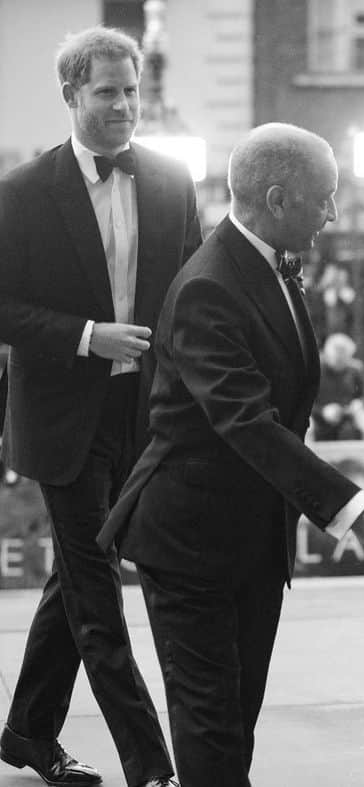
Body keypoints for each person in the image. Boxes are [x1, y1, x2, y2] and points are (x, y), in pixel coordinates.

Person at [96, 123, 364, 786]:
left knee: (234, 727)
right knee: (213, 736)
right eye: (323, 199)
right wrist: (357, 510)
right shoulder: (208, 287)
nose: (332, 214)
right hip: (189, 542)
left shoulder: (269, 268)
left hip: (251, 537)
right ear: (276, 200)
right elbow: (248, 421)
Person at [0, 27, 202, 787]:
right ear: (71, 97)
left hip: (144, 416)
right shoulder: (20, 193)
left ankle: (26, 731)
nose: (123, 105)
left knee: (79, 578)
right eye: (107, 92)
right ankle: (153, 767)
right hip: (61, 419)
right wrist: (88, 336)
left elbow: (193, 288)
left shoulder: (170, 181)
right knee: (98, 595)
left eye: (131, 91)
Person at [312, 332, 364, 440]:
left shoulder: (356, 369)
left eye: (344, 358)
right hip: (319, 420)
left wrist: (359, 404)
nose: (340, 362)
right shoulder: (315, 368)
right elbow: (304, 399)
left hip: (348, 419)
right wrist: (322, 411)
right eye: (337, 358)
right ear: (327, 355)